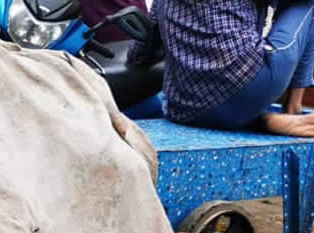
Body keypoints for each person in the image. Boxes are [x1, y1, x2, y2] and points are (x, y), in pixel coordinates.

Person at [131, 0, 314, 135]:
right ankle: (293, 109)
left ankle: (264, 120)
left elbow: (140, 52)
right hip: (249, 90)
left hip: (183, 108)